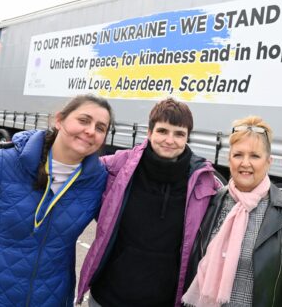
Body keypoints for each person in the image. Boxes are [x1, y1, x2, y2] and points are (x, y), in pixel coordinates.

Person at [0, 94, 113, 307]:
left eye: (100, 128)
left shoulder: (98, 181)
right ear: (60, 120)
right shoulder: (6, 161)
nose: (91, 130)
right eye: (83, 120)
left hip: (50, 297)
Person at [77, 97, 222, 307]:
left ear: (187, 138)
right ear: (150, 132)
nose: (170, 140)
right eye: (163, 131)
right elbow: (74, 162)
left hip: (163, 300)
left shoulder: (203, 181)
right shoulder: (120, 165)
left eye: (179, 134)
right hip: (108, 295)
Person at [182, 116, 282, 307]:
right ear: (229, 159)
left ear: (269, 161)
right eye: (238, 155)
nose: (245, 163)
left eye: (254, 156)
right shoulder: (210, 202)